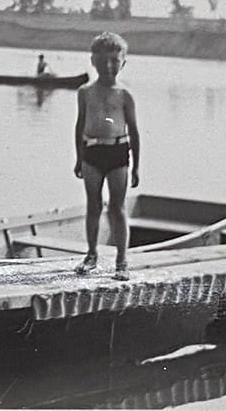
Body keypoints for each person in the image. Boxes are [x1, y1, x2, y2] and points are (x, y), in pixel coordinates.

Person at [72, 32, 140, 281]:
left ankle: (122, 261)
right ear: (93, 61)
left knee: (117, 208)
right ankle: (91, 255)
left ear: (123, 61)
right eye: (102, 61)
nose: (108, 66)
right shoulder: (85, 92)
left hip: (118, 153)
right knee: (93, 205)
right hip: (92, 153)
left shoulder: (124, 95)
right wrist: (79, 158)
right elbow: (79, 127)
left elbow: (133, 131)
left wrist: (136, 168)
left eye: (114, 60)